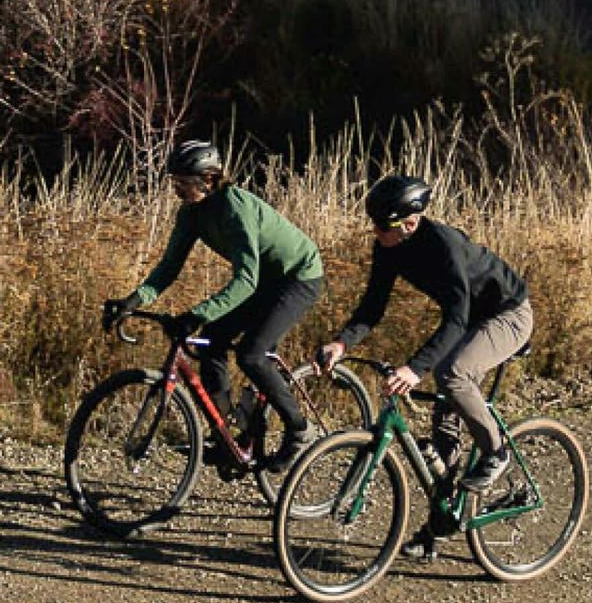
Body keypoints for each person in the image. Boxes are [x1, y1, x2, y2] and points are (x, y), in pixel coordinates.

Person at [105, 140, 326, 478]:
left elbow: (246, 281)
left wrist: (196, 314)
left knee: (252, 353)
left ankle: (299, 429)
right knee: (211, 343)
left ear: (208, 179)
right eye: (174, 182)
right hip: (263, 280)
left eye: (184, 183)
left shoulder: (235, 208)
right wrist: (131, 301)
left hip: (297, 276)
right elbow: (168, 268)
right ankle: (228, 434)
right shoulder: (191, 213)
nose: (177, 190)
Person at [315, 174, 534, 495]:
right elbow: (373, 307)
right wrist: (341, 342)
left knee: (452, 373)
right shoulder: (388, 248)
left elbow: (456, 319)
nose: (376, 232)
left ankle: (497, 453)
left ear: (411, 222)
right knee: (444, 422)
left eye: (383, 226)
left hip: (508, 315)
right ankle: (443, 516)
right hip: (471, 320)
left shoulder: (445, 246)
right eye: (373, 224)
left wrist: (415, 369)